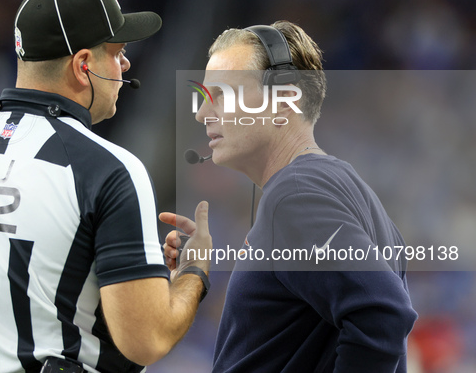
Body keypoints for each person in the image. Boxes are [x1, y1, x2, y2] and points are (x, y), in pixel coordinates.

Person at [0, 0, 212, 373]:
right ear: (83, 65)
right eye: (117, 51)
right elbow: (147, 340)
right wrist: (193, 273)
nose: (125, 64)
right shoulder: (110, 170)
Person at [164, 21, 418, 372]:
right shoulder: (331, 187)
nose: (202, 113)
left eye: (221, 95)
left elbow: (383, 315)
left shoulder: (296, 196)